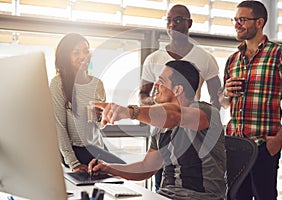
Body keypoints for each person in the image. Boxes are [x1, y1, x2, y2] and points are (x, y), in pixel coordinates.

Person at [89, 60, 226, 200]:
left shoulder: (207, 113)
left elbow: (174, 115)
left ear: (178, 89)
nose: (155, 85)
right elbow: (145, 167)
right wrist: (109, 168)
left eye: (161, 81)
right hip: (164, 196)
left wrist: (130, 112)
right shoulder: (160, 125)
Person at [219, 1, 282, 199]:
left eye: (242, 20)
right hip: (235, 145)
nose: (236, 24)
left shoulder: (281, 53)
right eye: (235, 20)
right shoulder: (232, 60)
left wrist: (278, 140)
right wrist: (225, 93)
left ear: (259, 22)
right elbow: (223, 102)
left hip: (263, 146)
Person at [139, 4, 222, 190]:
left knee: (189, 185)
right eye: (168, 20)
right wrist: (159, 104)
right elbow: (143, 96)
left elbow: (217, 96)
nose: (172, 25)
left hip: (192, 138)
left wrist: (206, 120)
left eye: (177, 20)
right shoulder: (153, 59)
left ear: (189, 23)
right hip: (162, 134)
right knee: (162, 186)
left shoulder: (205, 58)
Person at [50, 33, 125, 172]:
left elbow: (98, 126)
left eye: (86, 51)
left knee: (124, 172)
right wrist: (73, 163)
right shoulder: (58, 84)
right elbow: (59, 126)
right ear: (66, 56)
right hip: (76, 150)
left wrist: (102, 118)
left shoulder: (98, 84)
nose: (83, 56)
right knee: (123, 173)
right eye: (76, 52)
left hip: (97, 147)